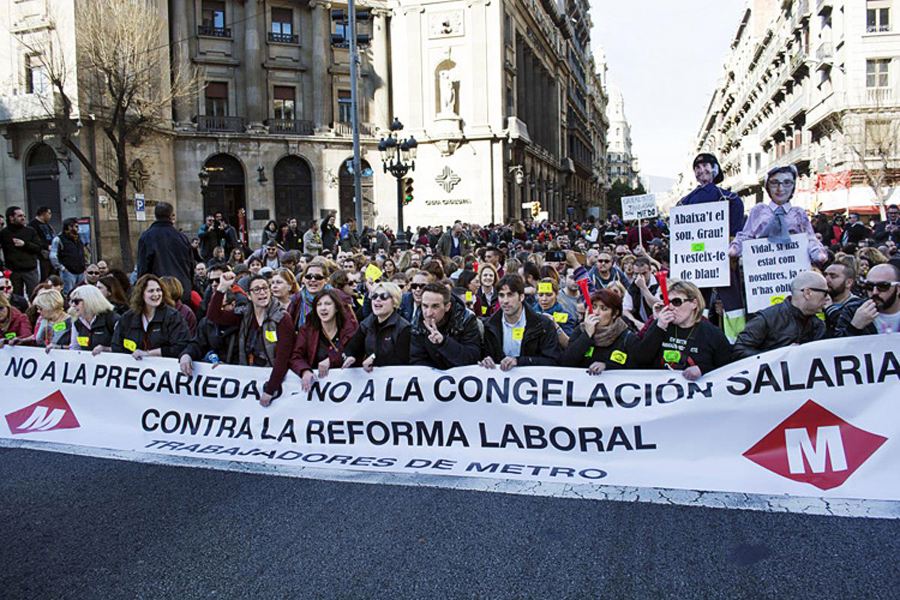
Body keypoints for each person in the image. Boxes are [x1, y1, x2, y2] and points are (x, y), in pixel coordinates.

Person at [678, 153, 746, 340]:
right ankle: (698, 339)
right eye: (697, 168)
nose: (701, 171)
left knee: (731, 304)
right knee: (699, 302)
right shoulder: (684, 202)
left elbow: (736, 233)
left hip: (723, 262)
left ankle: (736, 341)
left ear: (715, 169)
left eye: (706, 166)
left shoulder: (730, 199)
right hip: (697, 262)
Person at [206, 271, 296, 406]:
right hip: (250, 377)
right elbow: (213, 315)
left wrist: (270, 389)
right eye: (256, 289)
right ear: (249, 295)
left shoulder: (282, 318)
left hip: (272, 380)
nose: (262, 292)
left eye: (265, 288)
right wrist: (222, 287)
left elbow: (283, 358)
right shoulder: (244, 314)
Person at [633, 280, 732, 380]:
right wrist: (658, 327)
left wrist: (703, 369)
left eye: (677, 302)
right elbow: (640, 359)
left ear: (694, 303)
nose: (671, 307)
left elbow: (728, 369)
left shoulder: (712, 333)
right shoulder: (661, 325)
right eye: (668, 302)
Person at [729, 166, 827, 264]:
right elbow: (746, 235)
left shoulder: (798, 213)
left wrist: (817, 252)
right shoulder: (759, 211)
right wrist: (736, 247)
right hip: (762, 265)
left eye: (787, 183)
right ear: (768, 186)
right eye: (774, 183)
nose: (780, 189)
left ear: (793, 186)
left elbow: (809, 238)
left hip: (792, 265)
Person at [732, 271, 829, 359]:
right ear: (807, 293)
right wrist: (781, 354)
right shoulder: (767, 318)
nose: (828, 298)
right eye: (825, 293)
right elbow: (739, 351)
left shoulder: (818, 325)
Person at [479, 274, 560, 370]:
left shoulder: (543, 325)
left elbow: (552, 360)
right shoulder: (490, 326)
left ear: (521, 297)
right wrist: (487, 361)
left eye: (510, 295)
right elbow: (486, 356)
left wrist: (520, 361)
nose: (505, 301)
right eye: (501, 295)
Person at [290, 289, 358, 391]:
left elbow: (356, 352)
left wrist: (332, 360)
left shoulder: (350, 328)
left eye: (328, 304)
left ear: (336, 308)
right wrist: (304, 370)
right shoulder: (307, 329)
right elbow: (296, 357)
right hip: (318, 390)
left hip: (347, 387)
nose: (323, 308)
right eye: (319, 304)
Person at [111, 274, 191, 359]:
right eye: (151, 291)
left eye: (158, 290)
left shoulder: (173, 316)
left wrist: (148, 353)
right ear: (141, 294)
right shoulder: (127, 318)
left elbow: (181, 345)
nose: (156, 294)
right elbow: (117, 345)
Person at [560, 290, 638, 373]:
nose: (596, 313)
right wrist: (586, 335)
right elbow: (566, 362)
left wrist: (608, 366)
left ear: (615, 313)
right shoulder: (580, 330)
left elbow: (634, 369)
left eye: (604, 309)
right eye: (594, 307)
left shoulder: (627, 337)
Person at [410, 282, 482, 369]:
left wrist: (443, 343)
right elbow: (417, 359)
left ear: (447, 306)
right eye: (425, 306)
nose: (428, 313)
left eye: (435, 306)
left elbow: (472, 357)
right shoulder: (417, 321)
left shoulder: (466, 319)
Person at [344, 282, 411, 371]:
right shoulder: (367, 323)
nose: (377, 299)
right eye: (374, 296)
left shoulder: (404, 328)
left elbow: (401, 359)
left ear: (394, 302)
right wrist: (350, 355)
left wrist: (375, 358)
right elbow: (353, 346)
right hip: (371, 376)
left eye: (384, 296)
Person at [136, 202, 194, 304]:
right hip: (181, 290)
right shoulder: (182, 238)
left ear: (155, 215)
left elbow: (143, 269)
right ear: (171, 216)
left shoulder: (147, 237)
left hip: (158, 293)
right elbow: (191, 265)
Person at [179, 288, 241, 372]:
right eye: (212, 309)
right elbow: (198, 344)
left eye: (221, 308)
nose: (215, 314)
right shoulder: (207, 323)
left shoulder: (242, 323)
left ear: (233, 305)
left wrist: (228, 366)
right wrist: (187, 355)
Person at [834, 263, 900, 336]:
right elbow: (839, 341)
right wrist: (855, 327)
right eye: (869, 286)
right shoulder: (853, 310)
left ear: (898, 288)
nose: (874, 292)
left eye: (882, 286)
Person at [0, 206, 42, 297]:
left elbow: (38, 247)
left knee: (34, 295)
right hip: (13, 271)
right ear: (11, 218)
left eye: (23, 216)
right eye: (19, 216)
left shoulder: (30, 231)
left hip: (30, 269)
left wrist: (25, 244)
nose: (23, 218)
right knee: (15, 297)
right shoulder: (4, 233)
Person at [68, 284, 120, 355]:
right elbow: (75, 348)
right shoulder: (77, 321)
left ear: (89, 301)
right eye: (71, 301)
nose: (73, 305)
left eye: (76, 301)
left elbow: (123, 348)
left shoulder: (112, 319)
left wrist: (106, 349)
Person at [50, 218, 87, 295]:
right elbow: (53, 256)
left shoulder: (78, 238)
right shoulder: (58, 239)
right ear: (69, 227)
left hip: (81, 270)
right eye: (76, 226)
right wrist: (62, 268)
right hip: (68, 272)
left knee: (82, 293)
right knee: (68, 293)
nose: (78, 229)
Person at [622, 257, 660, 330]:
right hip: (640, 324)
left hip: (658, 323)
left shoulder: (659, 283)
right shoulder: (632, 287)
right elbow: (625, 310)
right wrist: (636, 322)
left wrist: (643, 288)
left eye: (644, 273)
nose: (640, 277)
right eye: (637, 274)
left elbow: (656, 306)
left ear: (650, 270)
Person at [824, 261, 858, 331]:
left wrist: (830, 309)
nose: (826, 280)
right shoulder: (817, 303)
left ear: (848, 283)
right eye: (825, 275)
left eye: (833, 276)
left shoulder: (857, 307)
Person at [28, 206, 55, 280]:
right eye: (49, 213)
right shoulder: (33, 225)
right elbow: (34, 240)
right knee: (44, 277)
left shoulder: (48, 225)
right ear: (43, 213)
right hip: (42, 255)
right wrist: (46, 246)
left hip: (51, 254)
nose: (50, 215)